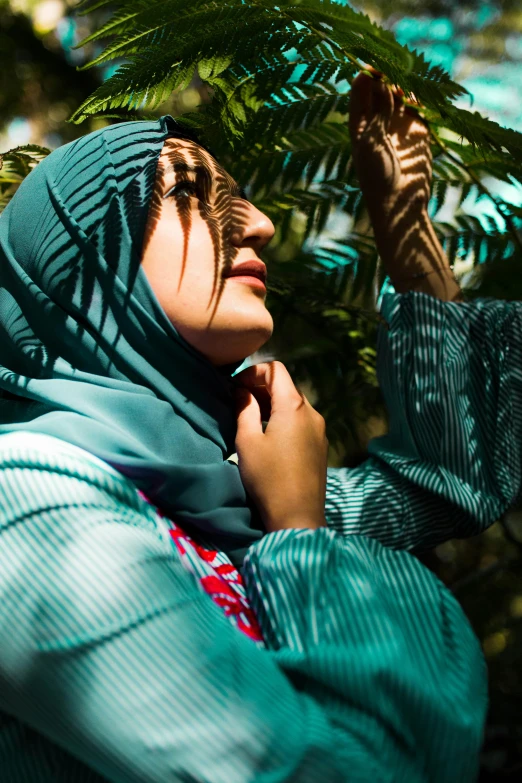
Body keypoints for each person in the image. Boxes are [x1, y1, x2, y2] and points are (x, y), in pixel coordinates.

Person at [0, 71, 519, 782]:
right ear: (83, 259)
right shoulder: (30, 509)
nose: (258, 223)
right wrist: (300, 538)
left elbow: (445, 482)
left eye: (239, 195)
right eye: (188, 191)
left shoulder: (216, 486)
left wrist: (405, 223)